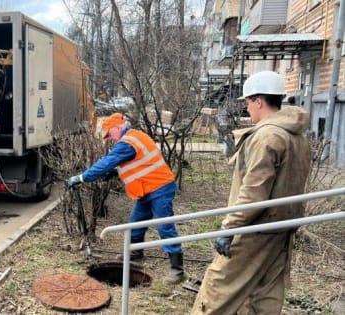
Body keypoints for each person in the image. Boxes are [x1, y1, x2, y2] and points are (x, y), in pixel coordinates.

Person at [191, 71, 311, 314]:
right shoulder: (297, 137)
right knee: (265, 293)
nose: (247, 110)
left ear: (259, 101)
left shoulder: (267, 136)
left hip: (254, 229)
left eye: (247, 103)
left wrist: (230, 227)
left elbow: (254, 192)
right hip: (282, 228)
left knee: (218, 289)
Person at [67, 113, 187, 284]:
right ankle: (135, 254)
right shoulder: (134, 137)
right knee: (135, 222)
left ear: (117, 128)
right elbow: (139, 162)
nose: (109, 138)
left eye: (109, 134)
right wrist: (116, 172)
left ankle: (177, 270)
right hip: (147, 188)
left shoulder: (128, 142)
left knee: (164, 225)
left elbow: (107, 161)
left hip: (159, 187)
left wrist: (81, 177)